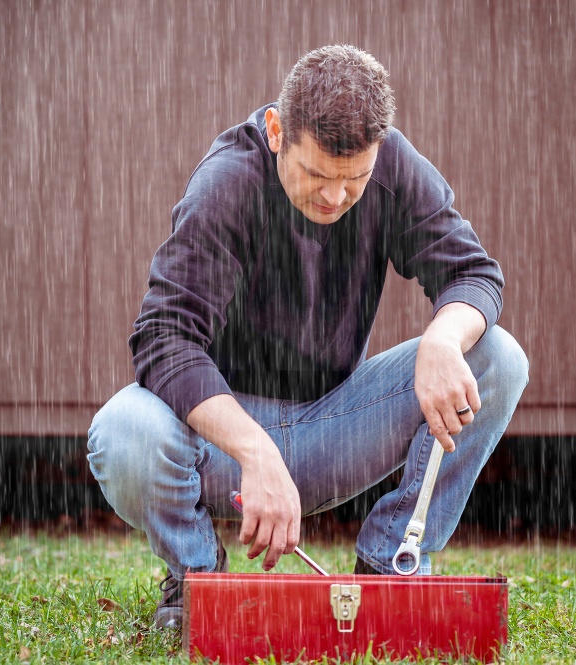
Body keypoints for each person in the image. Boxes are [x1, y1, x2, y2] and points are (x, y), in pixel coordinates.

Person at [87, 44, 528, 630]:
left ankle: (391, 566)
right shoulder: (227, 184)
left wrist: (442, 341)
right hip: (221, 444)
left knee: (498, 355)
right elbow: (164, 337)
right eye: (316, 174)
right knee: (124, 431)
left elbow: (473, 273)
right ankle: (196, 584)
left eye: (355, 180)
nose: (335, 197)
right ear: (276, 131)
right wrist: (254, 451)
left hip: (337, 426)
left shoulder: (391, 164)